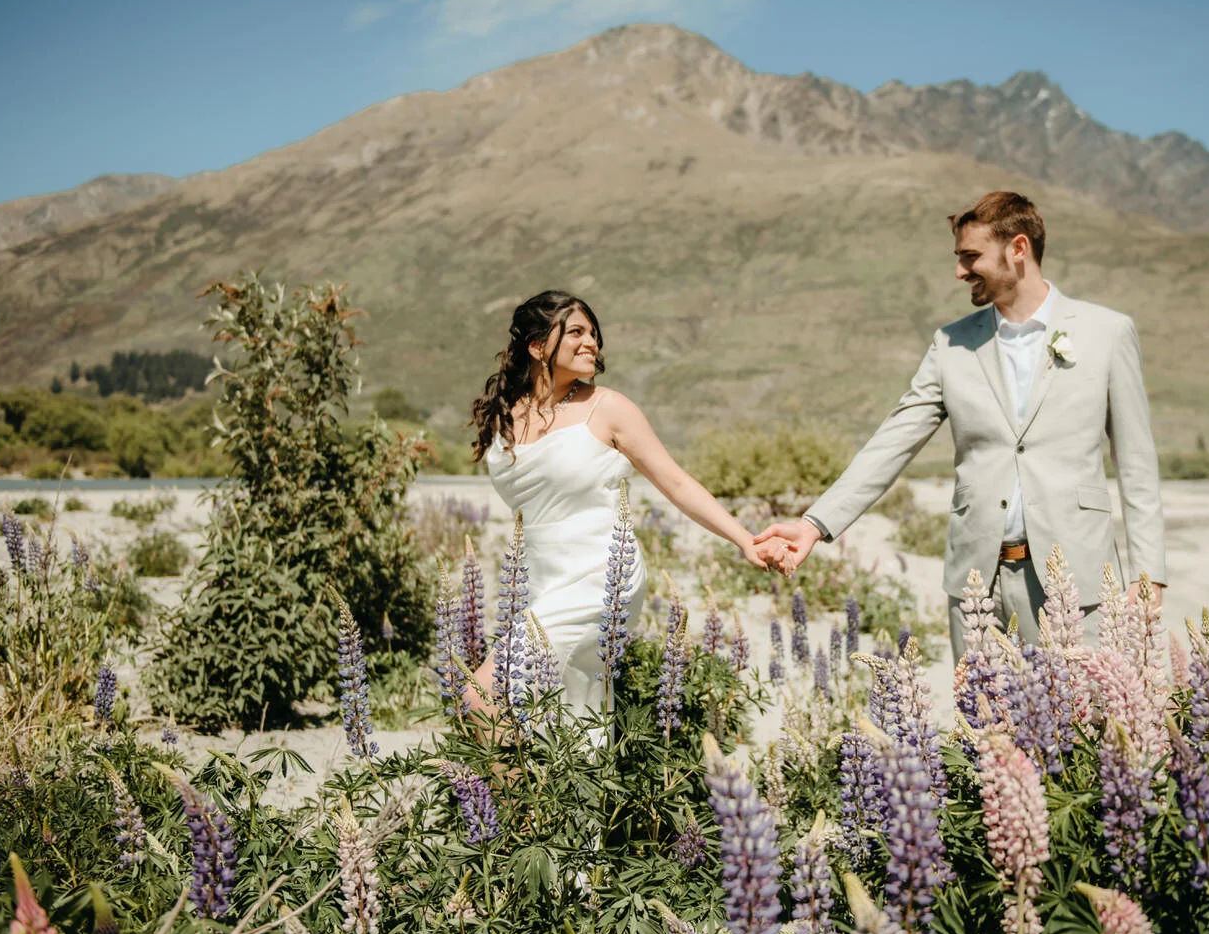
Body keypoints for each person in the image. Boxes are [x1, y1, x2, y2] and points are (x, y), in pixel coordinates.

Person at [756, 191, 1166, 659]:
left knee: (1084, 728)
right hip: (977, 589)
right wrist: (814, 525)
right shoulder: (950, 344)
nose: (959, 272)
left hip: (1081, 585)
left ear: (1018, 249)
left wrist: (1149, 573)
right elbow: (892, 442)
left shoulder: (1107, 332)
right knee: (981, 730)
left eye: (970, 257)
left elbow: (1136, 463)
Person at [464, 290, 774, 721]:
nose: (591, 341)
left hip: (600, 575)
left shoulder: (607, 408)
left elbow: (676, 481)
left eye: (593, 333)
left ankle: (510, 792)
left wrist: (745, 539)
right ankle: (565, 789)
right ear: (537, 347)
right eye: (576, 331)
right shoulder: (507, 414)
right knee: (551, 716)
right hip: (541, 579)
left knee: (482, 696)